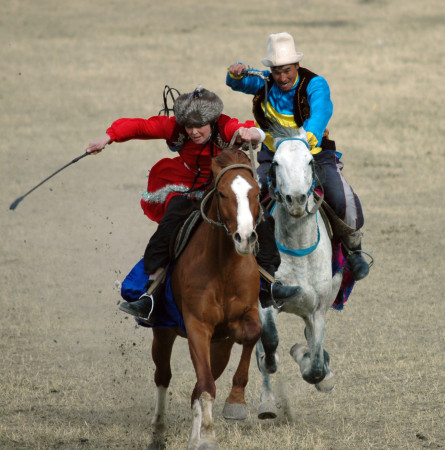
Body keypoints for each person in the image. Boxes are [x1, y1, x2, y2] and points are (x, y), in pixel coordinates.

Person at [86, 86, 301, 324]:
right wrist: (107, 138)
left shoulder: (226, 127)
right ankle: (151, 294)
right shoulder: (175, 128)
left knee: (261, 218)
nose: (193, 132)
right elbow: (140, 126)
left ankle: (270, 284)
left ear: (212, 121)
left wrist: (252, 134)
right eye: (189, 126)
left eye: (200, 126)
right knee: (169, 223)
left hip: (221, 189)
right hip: (184, 186)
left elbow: (253, 131)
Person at [226, 32, 370, 281]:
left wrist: (304, 142)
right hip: (274, 158)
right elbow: (237, 84)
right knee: (251, 197)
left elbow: (321, 113)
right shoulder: (265, 82)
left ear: (297, 66)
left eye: (288, 71)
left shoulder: (316, 84)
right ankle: (251, 256)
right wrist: (235, 73)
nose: (282, 77)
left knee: (340, 196)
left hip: (313, 154)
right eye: (277, 71)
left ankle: (353, 248)